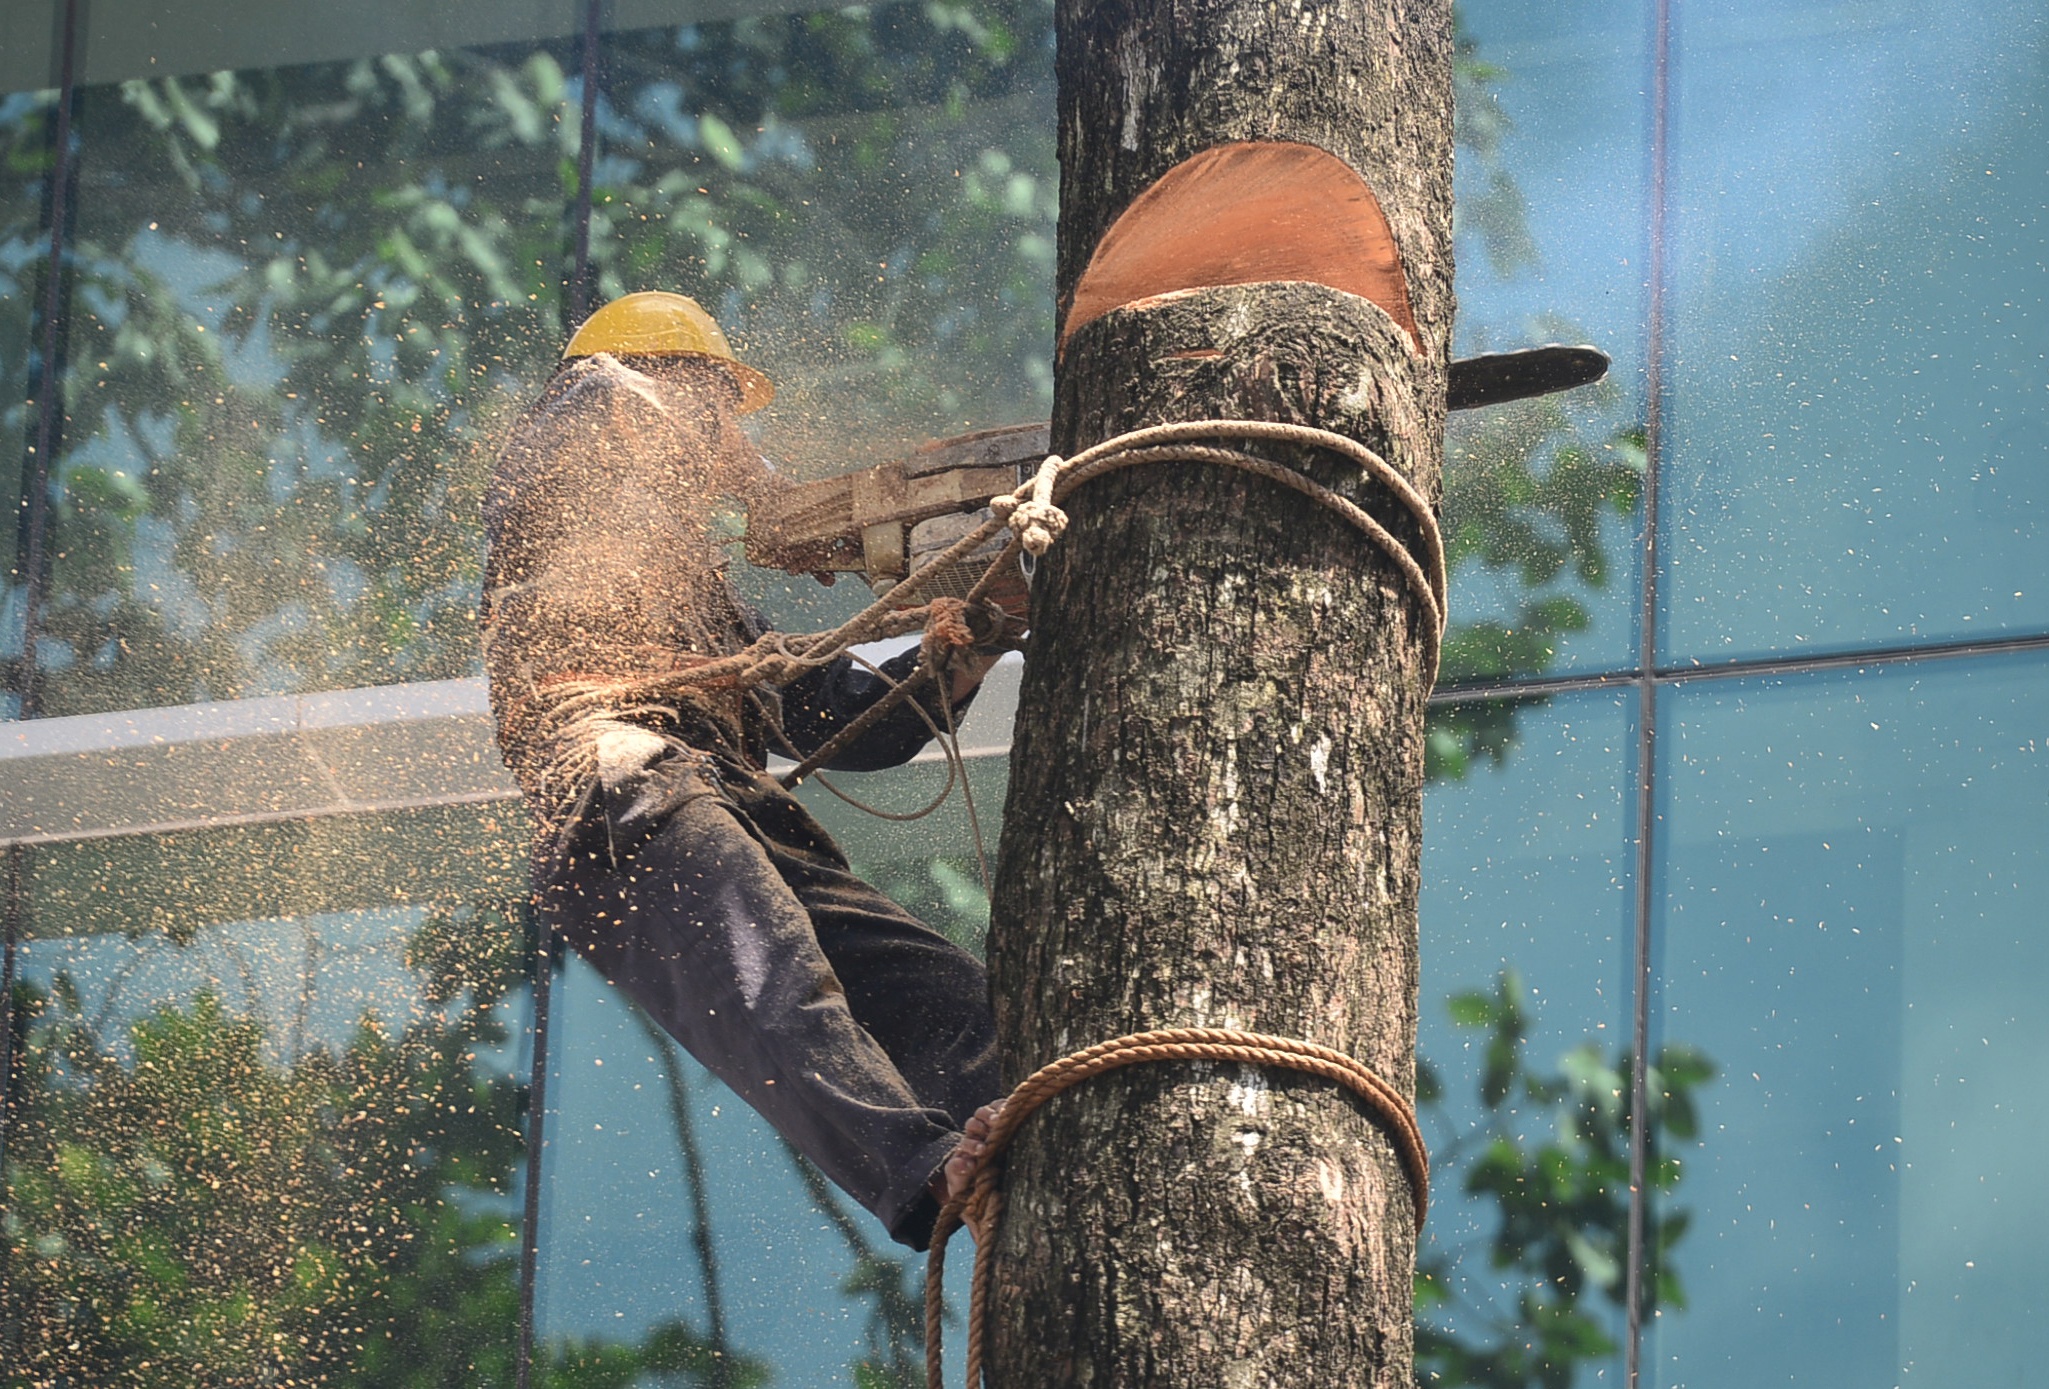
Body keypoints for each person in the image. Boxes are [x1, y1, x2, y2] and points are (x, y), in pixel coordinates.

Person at [482, 291, 1004, 1249]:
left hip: (731, 802)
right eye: (714, 408)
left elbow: (853, 721)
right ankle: (917, 1171)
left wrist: (960, 650)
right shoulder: (561, 469)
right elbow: (598, 406)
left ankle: (1029, 1116)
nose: (724, 438)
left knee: (947, 997)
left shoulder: (714, 605)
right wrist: (770, 493)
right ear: (655, 391)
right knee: (773, 971)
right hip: (618, 784)